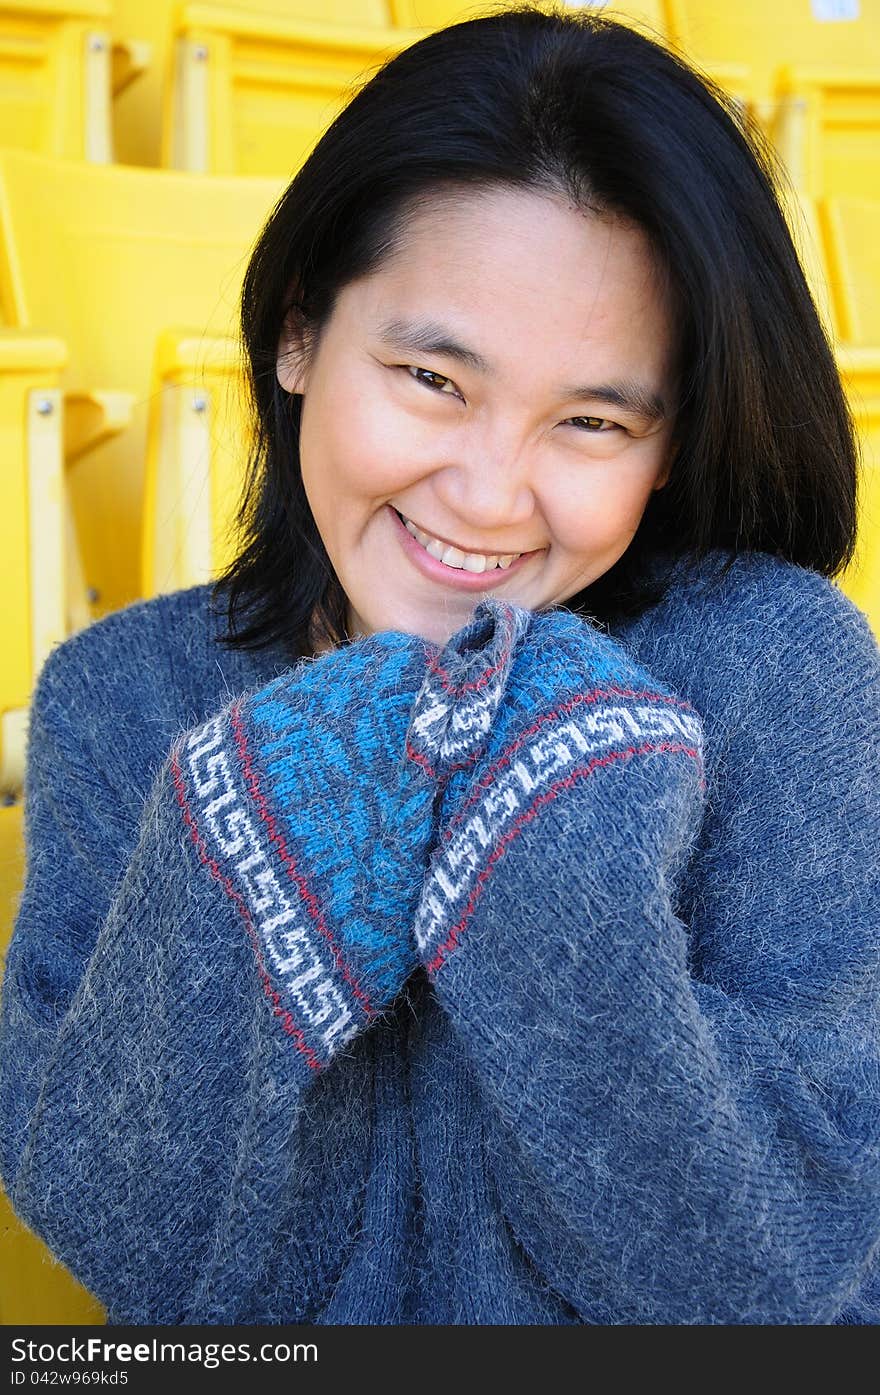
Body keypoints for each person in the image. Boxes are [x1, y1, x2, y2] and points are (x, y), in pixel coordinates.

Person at [1, 4, 878, 1326]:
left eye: (590, 419)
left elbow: (771, 1286)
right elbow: (143, 1262)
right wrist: (247, 844)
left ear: (670, 443)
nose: (485, 494)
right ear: (299, 335)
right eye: (432, 378)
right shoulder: (122, 699)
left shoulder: (781, 671)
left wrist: (549, 873)